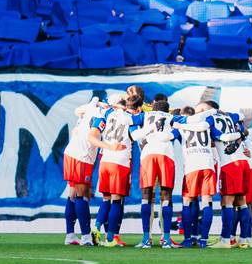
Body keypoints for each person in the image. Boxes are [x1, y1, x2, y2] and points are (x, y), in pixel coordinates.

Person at [88, 86, 145, 246]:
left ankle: (96, 227)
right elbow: (135, 135)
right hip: (120, 162)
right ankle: (111, 238)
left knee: (106, 199)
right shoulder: (132, 118)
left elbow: (93, 133)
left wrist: (108, 146)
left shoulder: (108, 113)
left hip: (105, 160)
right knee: (116, 200)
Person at [199, 100, 251, 248]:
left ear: (210, 109)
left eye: (203, 109)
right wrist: (239, 134)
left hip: (230, 164)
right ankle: (244, 240)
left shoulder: (209, 119)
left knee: (226, 202)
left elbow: (216, 138)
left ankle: (225, 239)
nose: (201, 112)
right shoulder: (230, 116)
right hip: (244, 162)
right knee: (242, 201)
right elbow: (243, 123)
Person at [130, 95, 179, 248]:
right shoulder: (172, 117)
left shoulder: (145, 115)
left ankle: (146, 239)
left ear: (153, 107)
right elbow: (178, 132)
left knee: (146, 195)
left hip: (148, 154)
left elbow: (131, 128)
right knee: (166, 195)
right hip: (166, 154)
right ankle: (166, 239)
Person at [62, 97, 106, 245]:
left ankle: (70, 235)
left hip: (72, 153)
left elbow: (77, 110)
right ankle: (86, 236)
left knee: (73, 194)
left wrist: (95, 102)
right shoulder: (101, 115)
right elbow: (91, 137)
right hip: (82, 156)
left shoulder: (89, 110)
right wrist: (108, 146)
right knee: (81, 195)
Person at [174, 105, 218, 248]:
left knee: (187, 201)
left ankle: (188, 239)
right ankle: (203, 240)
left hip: (192, 166)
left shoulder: (181, 125)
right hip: (208, 164)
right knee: (207, 202)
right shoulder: (206, 125)